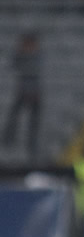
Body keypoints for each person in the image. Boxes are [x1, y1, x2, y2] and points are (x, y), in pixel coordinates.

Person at [2, 32, 42, 160]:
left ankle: (32, 147)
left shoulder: (39, 58)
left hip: (35, 93)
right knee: (14, 117)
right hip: (22, 91)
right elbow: (14, 65)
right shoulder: (19, 57)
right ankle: (8, 140)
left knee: (33, 123)